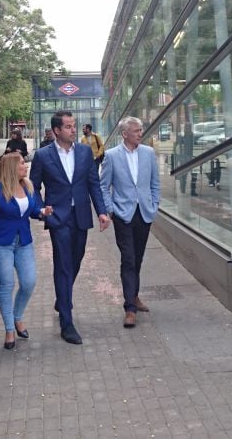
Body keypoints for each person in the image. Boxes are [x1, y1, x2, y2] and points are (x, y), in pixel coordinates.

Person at [29, 111, 110, 344]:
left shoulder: (85, 152)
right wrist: (42, 210)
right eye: (68, 127)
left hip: (81, 215)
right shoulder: (43, 156)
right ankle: (67, 322)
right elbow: (33, 187)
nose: (73, 130)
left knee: (77, 258)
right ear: (56, 131)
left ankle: (61, 297)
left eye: (74, 126)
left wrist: (102, 211)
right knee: (63, 266)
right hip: (59, 219)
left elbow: (93, 183)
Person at [0, 152, 52, 350]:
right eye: (22, 163)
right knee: (6, 284)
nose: (26, 165)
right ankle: (9, 329)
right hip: (1, 243)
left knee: (29, 282)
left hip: (24, 241)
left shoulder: (26, 186)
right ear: (12, 167)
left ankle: (17, 316)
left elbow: (29, 211)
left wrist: (41, 213)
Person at [100, 117, 161, 328]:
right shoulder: (111, 156)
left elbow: (155, 183)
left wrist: (154, 206)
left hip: (144, 213)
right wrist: (111, 210)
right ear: (124, 134)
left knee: (138, 258)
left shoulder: (148, 153)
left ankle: (134, 295)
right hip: (123, 215)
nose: (140, 133)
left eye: (141, 130)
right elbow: (103, 186)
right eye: (136, 131)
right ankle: (129, 308)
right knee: (128, 259)